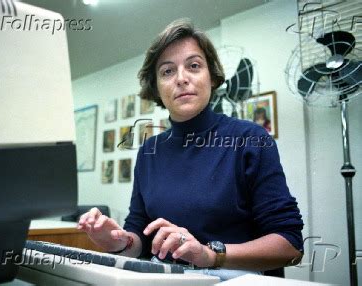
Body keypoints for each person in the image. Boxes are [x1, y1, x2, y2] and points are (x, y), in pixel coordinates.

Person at [77, 19, 304, 281]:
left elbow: (291, 245)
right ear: (156, 88)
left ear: (212, 76)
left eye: (194, 66)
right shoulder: (150, 150)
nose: (182, 78)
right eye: (167, 71)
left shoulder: (250, 139)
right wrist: (117, 241)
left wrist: (209, 254)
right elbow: (138, 238)